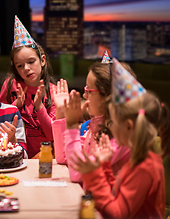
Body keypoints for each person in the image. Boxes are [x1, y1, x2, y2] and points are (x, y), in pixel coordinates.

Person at [70, 59, 168, 218]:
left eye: (114, 122)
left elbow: (117, 213)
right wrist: (106, 167)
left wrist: (94, 175)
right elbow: (117, 194)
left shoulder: (145, 167)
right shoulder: (139, 159)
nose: (110, 126)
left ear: (129, 126)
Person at [53, 62, 133, 183]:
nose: (84, 95)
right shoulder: (95, 125)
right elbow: (63, 158)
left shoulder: (121, 137)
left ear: (107, 96)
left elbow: (78, 173)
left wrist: (72, 125)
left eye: (89, 90)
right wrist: (61, 111)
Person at [0, 16, 56, 159]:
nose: (26, 68)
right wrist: (15, 106)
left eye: (31, 62)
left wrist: (39, 107)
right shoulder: (10, 85)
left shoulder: (53, 91)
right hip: (13, 155)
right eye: (20, 65)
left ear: (42, 60)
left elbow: (52, 134)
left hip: (43, 157)